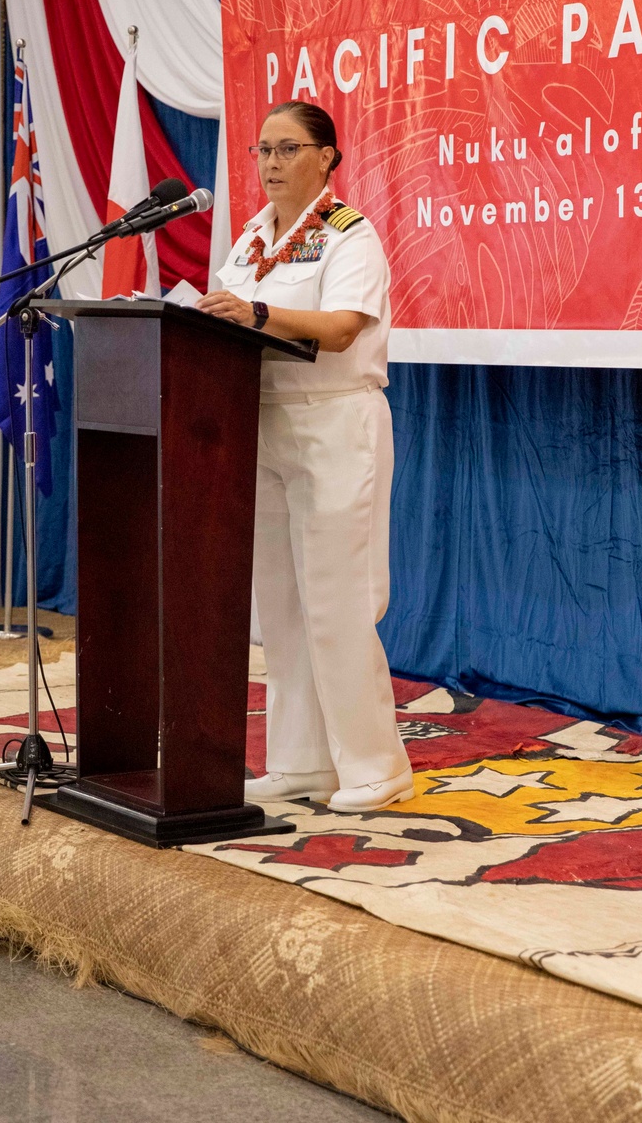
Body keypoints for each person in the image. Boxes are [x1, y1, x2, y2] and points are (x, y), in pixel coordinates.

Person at [196, 101, 412, 813]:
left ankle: (375, 768)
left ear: (327, 157)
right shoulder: (253, 239)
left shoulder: (350, 236)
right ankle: (300, 762)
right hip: (260, 419)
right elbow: (225, 313)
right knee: (281, 605)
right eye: (262, 151)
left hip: (333, 422)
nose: (271, 165)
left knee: (337, 602)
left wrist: (254, 314)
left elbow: (345, 328)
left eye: (288, 150)